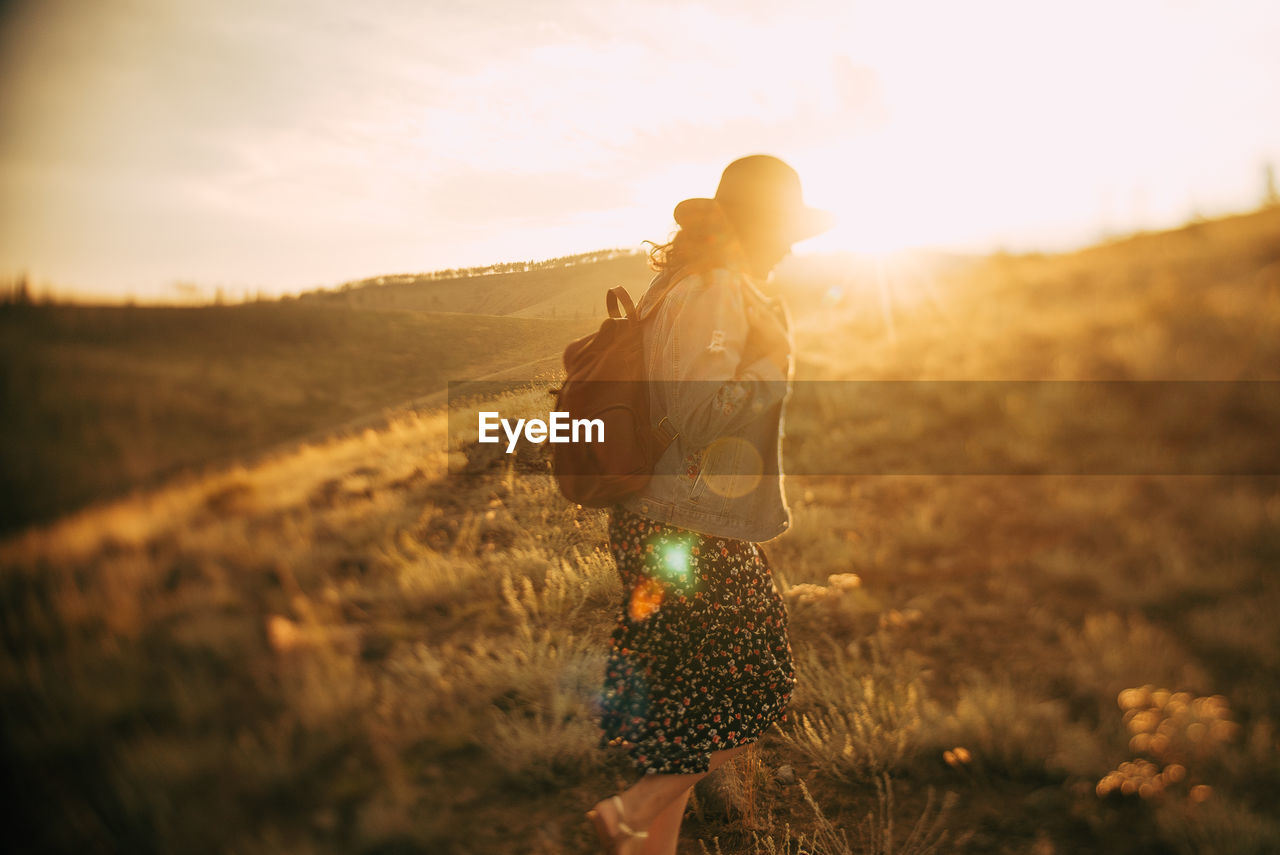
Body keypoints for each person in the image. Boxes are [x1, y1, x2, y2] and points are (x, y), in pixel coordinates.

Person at [587, 155, 833, 855]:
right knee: (756, 678)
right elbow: (699, 414)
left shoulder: (682, 282)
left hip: (661, 514)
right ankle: (632, 808)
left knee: (679, 705)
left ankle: (643, 835)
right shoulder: (718, 289)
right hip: (688, 523)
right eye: (785, 230)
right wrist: (770, 364)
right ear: (759, 228)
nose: (790, 247)